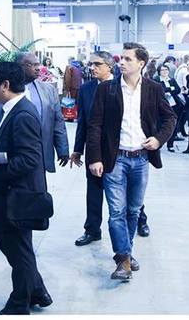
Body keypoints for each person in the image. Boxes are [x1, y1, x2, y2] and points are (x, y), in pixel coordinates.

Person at [86, 42, 177, 280]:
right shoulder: (107, 89)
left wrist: (158, 139)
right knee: (117, 211)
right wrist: (95, 158)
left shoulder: (154, 89)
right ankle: (123, 261)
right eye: (121, 59)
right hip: (115, 159)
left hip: (141, 159)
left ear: (141, 63)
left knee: (133, 210)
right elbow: (94, 125)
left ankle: (126, 252)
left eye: (128, 59)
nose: (122, 63)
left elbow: (170, 118)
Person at [0, 62, 52, 315]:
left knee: (18, 250)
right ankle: (37, 291)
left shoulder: (22, 114)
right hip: (9, 193)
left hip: (17, 195)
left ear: (5, 85)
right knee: (14, 245)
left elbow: (28, 160)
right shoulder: (12, 110)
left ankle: (19, 304)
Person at [70, 51, 150, 247]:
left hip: (120, 150)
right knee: (94, 190)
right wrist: (78, 149)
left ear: (109, 66)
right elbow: (83, 122)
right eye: (91, 64)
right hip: (95, 149)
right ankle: (92, 230)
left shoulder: (123, 86)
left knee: (129, 193)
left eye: (97, 64)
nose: (92, 68)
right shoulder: (86, 89)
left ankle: (140, 220)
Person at [0, 53, 69, 173]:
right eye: (31, 65)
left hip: (40, 153)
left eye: (38, 64)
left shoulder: (48, 90)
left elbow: (57, 121)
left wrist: (62, 149)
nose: (37, 68)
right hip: (8, 156)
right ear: (18, 66)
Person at [155, 64, 185, 152]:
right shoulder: (156, 80)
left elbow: (178, 90)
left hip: (174, 105)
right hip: (161, 106)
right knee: (160, 125)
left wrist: (168, 89)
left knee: (173, 125)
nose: (165, 72)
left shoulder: (172, 80)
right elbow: (160, 90)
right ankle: (159, 143)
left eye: (166, 70)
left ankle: (170, 144)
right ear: (159, 72)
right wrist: (170, 89)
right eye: (162, 70)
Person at [173, 55, 189, 137]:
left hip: (179, 94)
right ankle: (179, 132)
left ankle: (180, 131)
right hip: (183, 94)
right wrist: (188, 91)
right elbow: (186, 83)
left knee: (181, 115)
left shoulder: (179, 69)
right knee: (183, 115)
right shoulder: (185, 70)